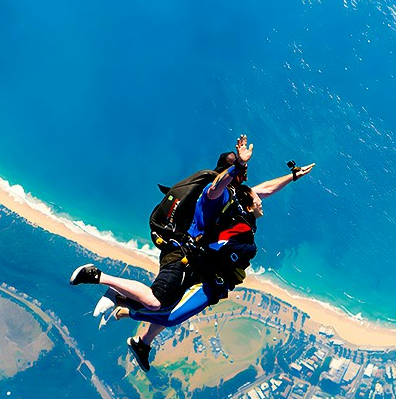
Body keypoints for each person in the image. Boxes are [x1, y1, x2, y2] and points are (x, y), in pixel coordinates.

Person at [70, 135, 314, 371]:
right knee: (163, 308)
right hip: (187, 259)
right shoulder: (215, 196)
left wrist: (292, 176)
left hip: (202, 266)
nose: (250, 185)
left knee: (170, 310)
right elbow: (216, 188)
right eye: (242, 173)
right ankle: (107, 285)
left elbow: (265, 190)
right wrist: (238, 165)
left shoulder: (240, 198)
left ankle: (141, 341)